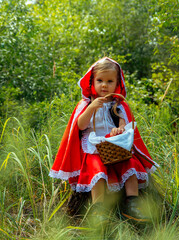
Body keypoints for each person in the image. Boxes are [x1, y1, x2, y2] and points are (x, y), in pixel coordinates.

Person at [49, 57, 158, 222]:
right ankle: (98, 210)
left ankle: (133, 203)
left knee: (131, 165)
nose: (104, 85)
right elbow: (80, 125)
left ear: (117, 83)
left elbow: (124, 123)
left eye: (109, 81)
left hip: (114, 145)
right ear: (92, 82)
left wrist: (120, 129)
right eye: (100, 80)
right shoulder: (86, 104)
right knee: (97, 170)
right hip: (93, 145)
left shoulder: (118, 105)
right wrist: (92, 108)